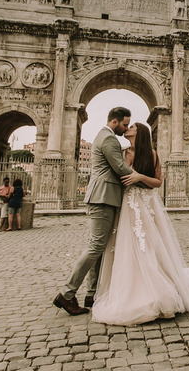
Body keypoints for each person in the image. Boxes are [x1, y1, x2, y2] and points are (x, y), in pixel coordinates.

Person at [90, 122, 189, 325]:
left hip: (145, 205)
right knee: (126, 247)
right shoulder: (121, 151)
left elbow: (158, 182)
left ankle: (156, 287)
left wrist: (139, 176)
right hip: (126, 206)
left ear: (140, 132)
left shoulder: (151, 154)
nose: (127, 128)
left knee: (149, 246)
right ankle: (128, 288)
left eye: (131, 126)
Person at [53, 107, 144, 316]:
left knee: (100, 247)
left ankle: (92, 293)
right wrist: (144, 179)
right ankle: (67, 293)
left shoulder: (104, 136)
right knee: (96, 246)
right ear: (114, 121)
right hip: (103, 197)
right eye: (124, 124)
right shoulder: (109, 139)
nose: (126, 128)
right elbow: (120, 168)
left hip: (104, 197)